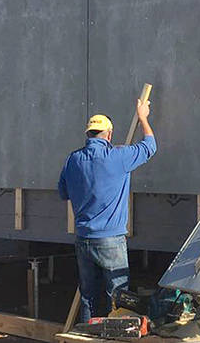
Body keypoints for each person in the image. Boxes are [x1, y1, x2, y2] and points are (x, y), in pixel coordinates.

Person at [57, 97, 156, 322]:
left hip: (83, 238)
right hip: (111, 240)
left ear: (88, 134)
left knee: (88, 297)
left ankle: (85, 333)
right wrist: (142, 117)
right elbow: (151, 146)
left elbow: (63, 193)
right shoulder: (119, 157)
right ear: (109, 135)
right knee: (118, 298)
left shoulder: (73, 160)